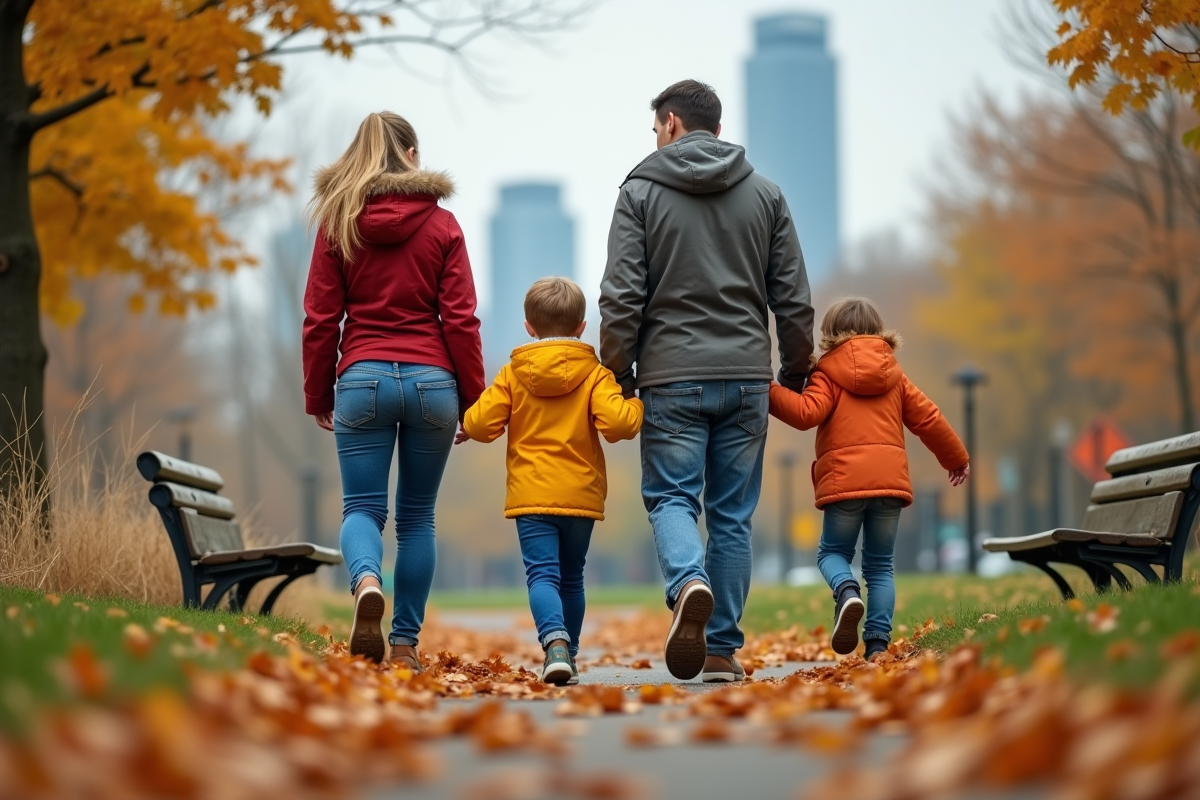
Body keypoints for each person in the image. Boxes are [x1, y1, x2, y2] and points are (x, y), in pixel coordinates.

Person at [600, 80, 814, 682]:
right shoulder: (766, 194)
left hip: (671, 376)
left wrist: (617, 372)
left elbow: (621, 295)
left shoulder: (640, 192)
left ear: (670, 123)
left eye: (655, 129)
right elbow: (793, 298)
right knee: (732, 515)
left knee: (671, 496)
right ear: (716, 130)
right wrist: (794, 371)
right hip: (746, 377)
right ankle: (721, 651)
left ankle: (687, 581)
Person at [302, 111, 485, 667]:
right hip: (433, 383)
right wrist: (473, 401)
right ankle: (404, 646)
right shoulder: (444, 225)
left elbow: (319, 319)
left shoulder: (338, 223)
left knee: (362, 507)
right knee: (417, 518)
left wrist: (319, 395)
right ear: (410, 155)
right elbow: (461, 320)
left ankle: (365, 584)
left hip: (362, 379)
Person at [462, 277, 644, 685]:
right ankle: (569, 654)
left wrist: (471, 419)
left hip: (531, 496)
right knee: (572, 575)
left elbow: (479, 424)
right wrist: (635, 402)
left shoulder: (512, 375)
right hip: (579, 495)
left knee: (542, 575)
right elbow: (619, 426)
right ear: (582, 326)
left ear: (529, 325)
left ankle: (554, 645)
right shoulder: (595, 375)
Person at [768, 297, 970, 660]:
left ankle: (846, 591)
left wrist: (766, 390)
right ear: (879, 332)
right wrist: (956, 458)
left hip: (843, 484)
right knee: (880, 566)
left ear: (830, 334)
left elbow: (804, 413)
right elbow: (929, 419)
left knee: (832, 553)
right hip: (890, 486)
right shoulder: (895, 375)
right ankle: (877, 645)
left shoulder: (827, 374)